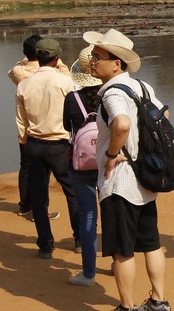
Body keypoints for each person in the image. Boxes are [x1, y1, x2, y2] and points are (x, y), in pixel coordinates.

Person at [86, 28, 171, 311]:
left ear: (116, 63)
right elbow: (164, 115)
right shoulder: (143, 87)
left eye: (98, 56)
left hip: (119, 181)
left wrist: (113, 154)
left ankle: (127, 306)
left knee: (122, 251)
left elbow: (121, 124)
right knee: (151, 243)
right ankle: (159, 302)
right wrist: (142, 148)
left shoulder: (112, 93)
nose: (92, 61)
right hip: (145, 178)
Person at [16, 37, 79, 259]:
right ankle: (79, 239)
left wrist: (26, 142)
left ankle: (45, 244)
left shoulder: (24, 84)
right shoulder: (65, 82)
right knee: (73, 191)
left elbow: (21, 121)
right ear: (57, 57)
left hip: (34, 144)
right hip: (60, 144)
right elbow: (75, 114)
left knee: (39, 195)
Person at [9, 34, 68, 219]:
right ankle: (78, 238)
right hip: (56, 133)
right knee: (68, 184)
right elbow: (68, 74)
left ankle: (27, 206)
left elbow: (14, 70)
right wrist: (57, 62)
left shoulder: (20, 75)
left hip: (30, 133)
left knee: (29, 172)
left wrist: (23, 138)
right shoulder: (62, 77)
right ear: (54, 56)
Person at [63, 45, 104, 286]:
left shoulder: (72, 98)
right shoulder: (112, 94)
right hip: (110, 161)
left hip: (80, 164)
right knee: (113, 214)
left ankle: (88, 273)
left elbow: (68, 128)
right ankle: (117, 262)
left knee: (88, 218)